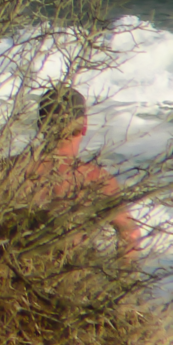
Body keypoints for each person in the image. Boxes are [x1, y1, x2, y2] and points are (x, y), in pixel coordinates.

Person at [31, 84, 141, 256]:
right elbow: (130, 234)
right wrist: (120, 279)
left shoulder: (7, 172)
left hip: (10, 277)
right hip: (67, 276)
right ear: (84, 125)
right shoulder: (95, 178)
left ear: (40, 125)